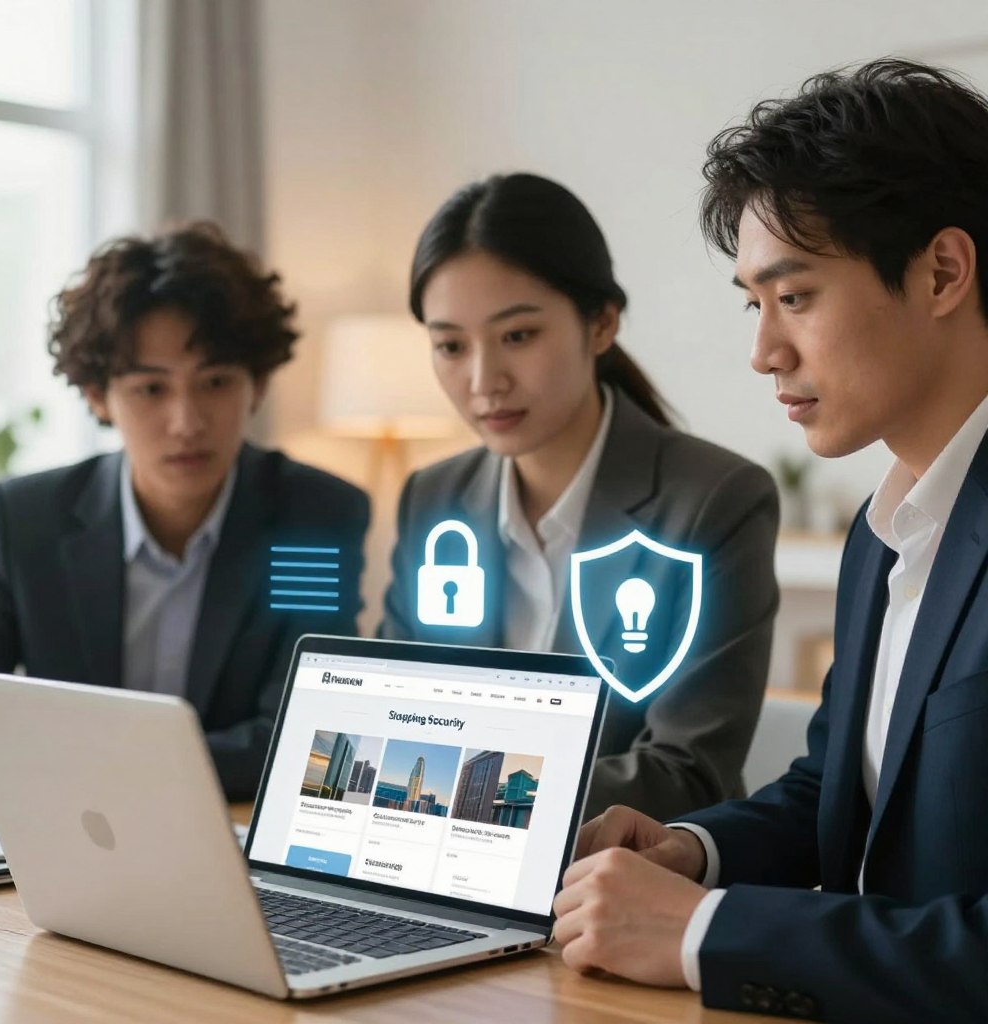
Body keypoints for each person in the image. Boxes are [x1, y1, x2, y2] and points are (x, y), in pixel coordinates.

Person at [552, 59, 988, 1023]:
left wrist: (703, 933)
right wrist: (690, 854)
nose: (764, 353)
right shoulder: (887, 532)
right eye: (756, 304)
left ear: (943, 271)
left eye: (795, 297)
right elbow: (839, 789)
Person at [379, 173, 779, 821]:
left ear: (601, 324)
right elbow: (386, 713)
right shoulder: (433, 498)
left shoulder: (714, 502)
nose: (484, 381)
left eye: (518, 336)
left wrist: (464, 796)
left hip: (618, 885)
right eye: (451, 346)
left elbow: (688, 772)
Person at [0, 222, 369, 816]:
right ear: (98, 397)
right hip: (67, 834)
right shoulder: (30, 521)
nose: (187, 421)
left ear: (255, 386)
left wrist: (94, 771)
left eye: (215, 382)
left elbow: (298, 729)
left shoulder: (308, 522)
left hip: (227, 830)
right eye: (151, 389)